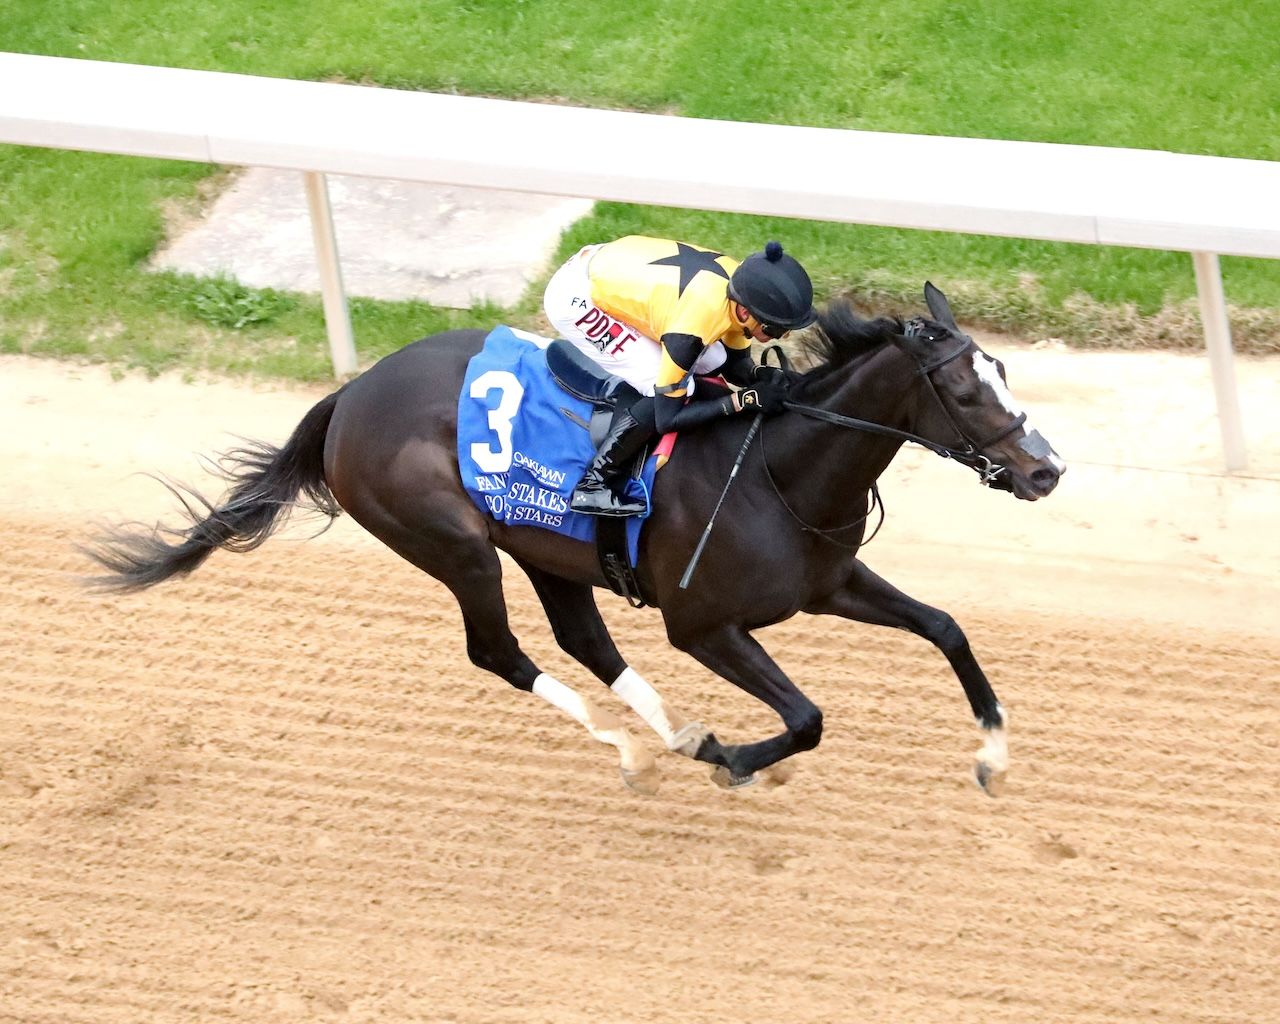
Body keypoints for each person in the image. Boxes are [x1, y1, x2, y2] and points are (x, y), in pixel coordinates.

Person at [543, 235, 816, 516]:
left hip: (615, 269)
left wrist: (761, 375)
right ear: (745, 312)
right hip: (576, 296)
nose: (781, 336)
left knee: (716, 359)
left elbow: (734, 364)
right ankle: (593, 484)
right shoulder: (693, 326)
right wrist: (741, 401)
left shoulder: (743, 290)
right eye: (775, 329)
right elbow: (667, 418)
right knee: (662, 383)